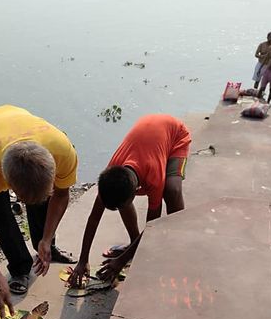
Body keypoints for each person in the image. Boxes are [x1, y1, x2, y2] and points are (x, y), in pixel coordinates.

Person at [0, 105, 78, 318]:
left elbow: (61, 194)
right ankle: (19, 267)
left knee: (39, 201)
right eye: (21, 198)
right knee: (0, 209)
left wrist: (46, 238)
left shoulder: (62, 150)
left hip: (18, 118)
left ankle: (45, 246)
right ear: (7, 182)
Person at [68, 114, 191, 287]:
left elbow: (152, 227)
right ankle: (135, 244)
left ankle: (178, 245)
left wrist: (121, 261)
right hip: (149, 134)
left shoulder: (154, 179)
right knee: (121, 200)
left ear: (135, 194)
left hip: (176, 136)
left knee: (172, 190)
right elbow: (94, 218)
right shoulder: (111, 175)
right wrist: (83, 260)